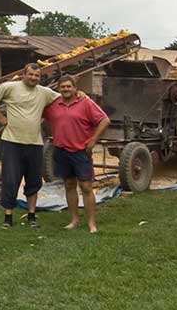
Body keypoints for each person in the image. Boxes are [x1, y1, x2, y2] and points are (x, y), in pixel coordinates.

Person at [0, 63, 60, 229]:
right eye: (30, 74)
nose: (33, 78)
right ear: (24, 74)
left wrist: (80, 93)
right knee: (10, 179)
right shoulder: (10, 87)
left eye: (37, 76)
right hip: (12, 142)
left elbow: (62, 98)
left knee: (33, 180)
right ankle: (8, 218)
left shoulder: (44, 92)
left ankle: (32, 216)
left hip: (34, 143)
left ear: (40, 77)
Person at [43, 74, 110, 233]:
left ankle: (91, 223)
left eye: (69, 86)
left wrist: (93, 139)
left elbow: (105, 120)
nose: (66, 89)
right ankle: (74, 220)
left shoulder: (85, 103)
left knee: (86, 187)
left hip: (80, 152)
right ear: (58, 89)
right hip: (61, 151)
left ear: (75, 88)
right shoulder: (53, 106)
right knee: (69, 185)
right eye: (63, 87)